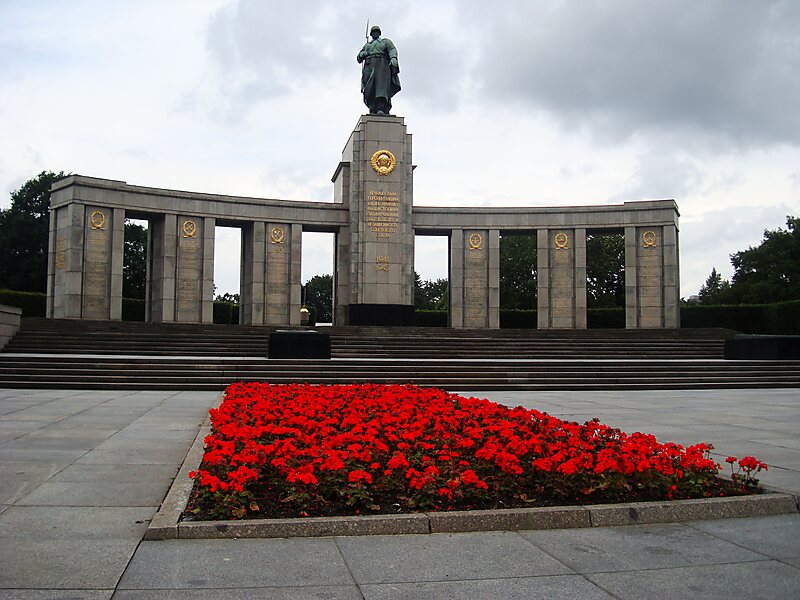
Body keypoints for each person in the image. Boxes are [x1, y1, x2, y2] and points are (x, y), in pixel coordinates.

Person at [357, 25, 401, 115]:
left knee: (381, 88)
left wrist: (393, 58)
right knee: (370, 88)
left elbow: (392, 50)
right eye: (374, 32)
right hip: (369, 66)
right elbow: (359, 57)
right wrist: (362, 54)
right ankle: (372, 108)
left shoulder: (385, 42)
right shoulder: (367, 45)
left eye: (377, 31)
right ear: (371, 34)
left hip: (382, 65)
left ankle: (381, 107)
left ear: (379, 33)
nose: (375, 33)